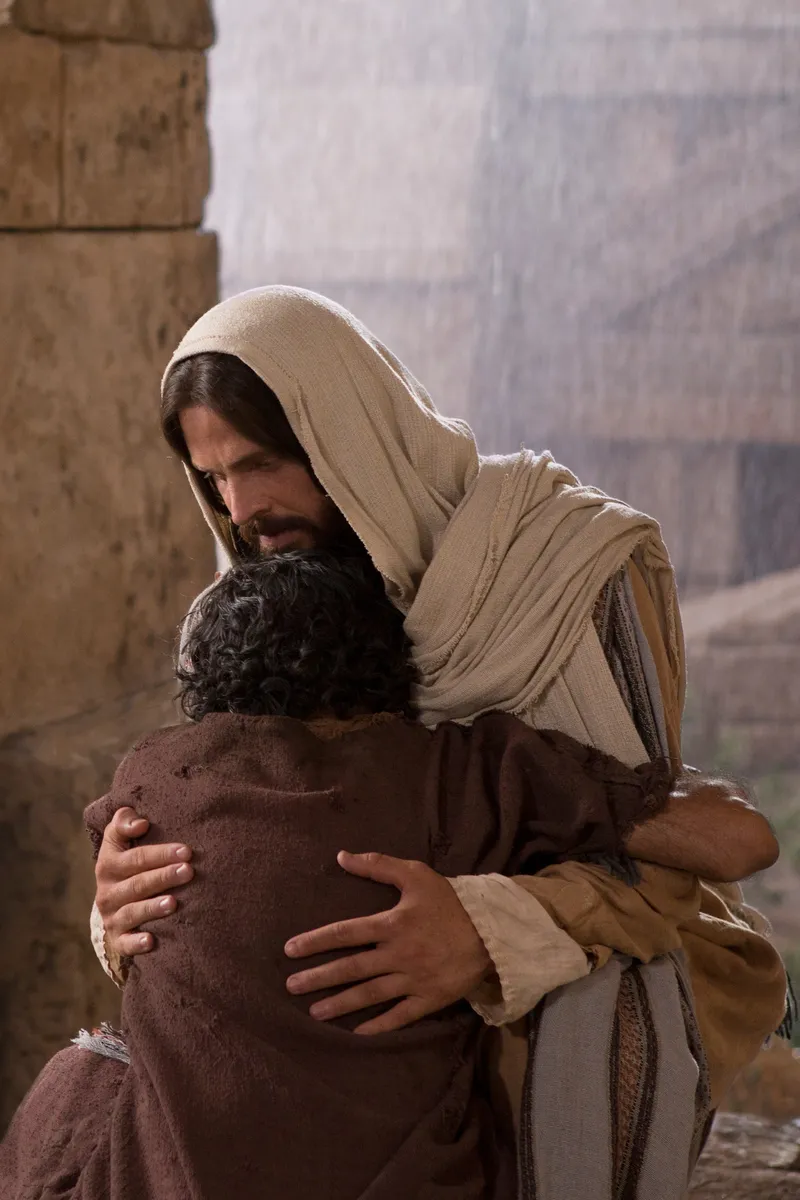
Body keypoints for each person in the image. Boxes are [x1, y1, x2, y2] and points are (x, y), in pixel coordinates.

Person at [91, 287, 787, 1199]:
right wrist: (122, 899)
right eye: (213, 478)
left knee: (610, 1017)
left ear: (345, 429)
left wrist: (485, 932)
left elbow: (660, 862)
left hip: (578, 957)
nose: (242, 509)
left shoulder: (568, 570)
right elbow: (240, 829)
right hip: (350, 999)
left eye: (263, 463)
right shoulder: (254, 614)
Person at [0, 554, 778, 1199]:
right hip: (426, 1186)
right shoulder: (457, 773)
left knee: (85, 1073)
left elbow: (121, 866)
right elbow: (739, 841)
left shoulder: (154, 776)